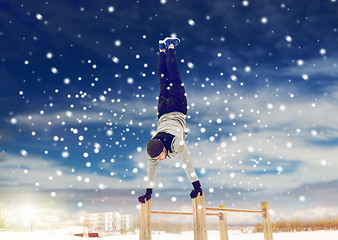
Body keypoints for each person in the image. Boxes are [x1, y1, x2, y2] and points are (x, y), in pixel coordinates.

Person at [138, 37, 203, 203]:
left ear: (162, 148)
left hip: (177, 107)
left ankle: (171, 45)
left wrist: (197, 186)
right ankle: (161, 49)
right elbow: (151, 170)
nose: (159, 159)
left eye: (160, 156)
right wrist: (148, 192)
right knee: (163, 80)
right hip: (162, 111)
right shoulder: (152, 148)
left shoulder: (176, 144)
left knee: (173, 76)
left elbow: (187, 163)